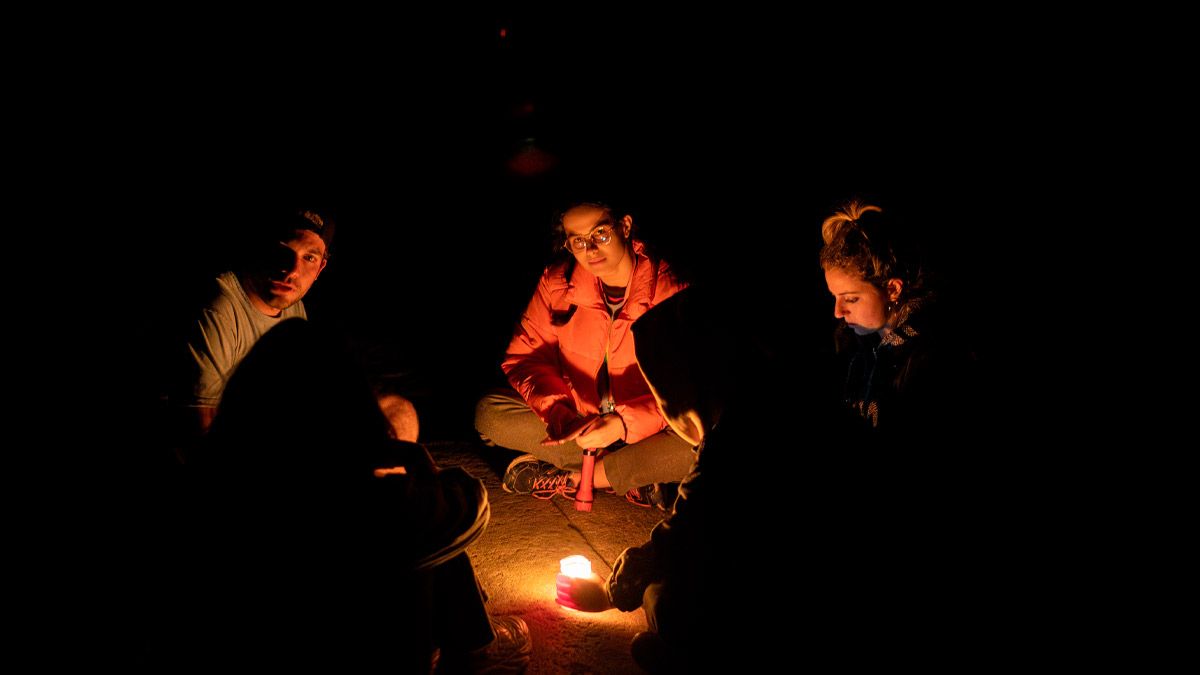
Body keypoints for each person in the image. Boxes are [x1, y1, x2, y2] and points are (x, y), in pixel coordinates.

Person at [555, 288, 1025, 673]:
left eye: (665, 387)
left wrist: (616, 592)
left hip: (819, 597)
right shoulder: (788, 386)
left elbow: (685, 533)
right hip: (851, 569)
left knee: (667, 597)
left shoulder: (738, 435)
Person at [153, 319, 532, 673]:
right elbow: (470, 502)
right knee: (429, 541)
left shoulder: (207, 481)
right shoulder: (367, 507)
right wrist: (411, 458)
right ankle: (474, 646)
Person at [474, 200, 691, 509]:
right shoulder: (558, 283)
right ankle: (630, 476)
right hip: (583, 423)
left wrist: (623, 424)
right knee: (490, 412)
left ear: (625, 226)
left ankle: (582, 479)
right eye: (577, 240)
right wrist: (558, 413)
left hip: (648, 431)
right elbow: (525, 358)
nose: (590, 249)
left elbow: (691, 388)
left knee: (701, 446)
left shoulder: (672, 291)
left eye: (600, 234)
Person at [167, 207, 419, 460]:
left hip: (286, 442)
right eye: (283, 250)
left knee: (399, 412)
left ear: (320, 268)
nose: (291, 270)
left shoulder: (294, 307)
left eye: (309, 257)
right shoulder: (219, 308)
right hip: (237, 458)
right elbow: (196, 431)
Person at [818, 197, 981, 443]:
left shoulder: (936, 361)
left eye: (851, 299)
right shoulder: (848, 344)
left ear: (893, 289)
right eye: (834, 296)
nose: (837, 312)